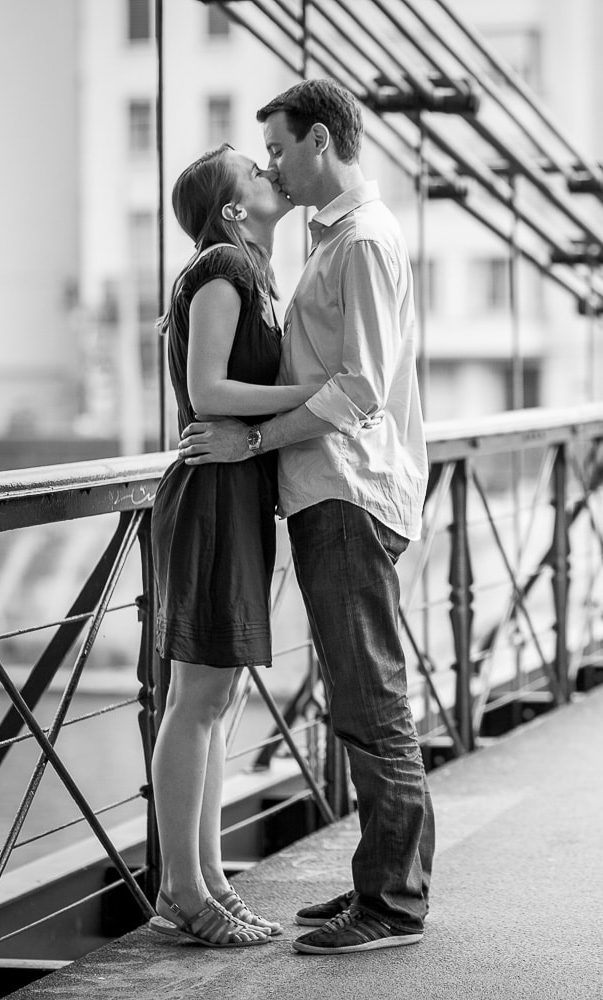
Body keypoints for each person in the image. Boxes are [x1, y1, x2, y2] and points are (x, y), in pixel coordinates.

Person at [179, 79, 434, 956]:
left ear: (320, 141)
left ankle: (394, 905)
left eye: (281, 150)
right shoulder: (333, 241)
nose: (276, 169)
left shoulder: (359, 243)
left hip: (346, 492)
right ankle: (379, 882)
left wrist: (253, 444)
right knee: (361, 699)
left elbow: (357, 388)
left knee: (370, 702)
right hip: (329, 491)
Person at [146, 145, 317, 947]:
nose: (269, 172)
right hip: (213, 497)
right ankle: (181, 889)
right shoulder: (223, 264)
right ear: (233, 209)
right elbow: (208, 388)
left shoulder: (255, 272)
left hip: (239, 494)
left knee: (221, 701)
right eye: (254, 171)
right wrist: (321, 394)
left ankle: (208, 881)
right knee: (199, 700)